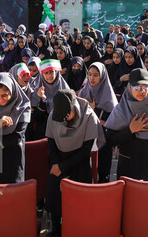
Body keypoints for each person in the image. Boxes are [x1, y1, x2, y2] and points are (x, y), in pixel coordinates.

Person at [45, 89, 103, 236]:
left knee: (80, 202)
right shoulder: (55, 114)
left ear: (74, 108)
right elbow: (51, 144)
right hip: (58, 161)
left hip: (79, 163)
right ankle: (56, 229)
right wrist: (57, 165)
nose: (64, 120)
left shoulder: (88, 116)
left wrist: (64, 168)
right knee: (55, 196)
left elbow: (85, 151)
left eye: (67, 116)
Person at [104, 68, 148, 181]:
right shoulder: (121, 110)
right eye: (136, 87)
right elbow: (110, 140)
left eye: (144, 87)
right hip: (128, 170)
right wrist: (130, 130)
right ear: (130, 88)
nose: (141, 91)